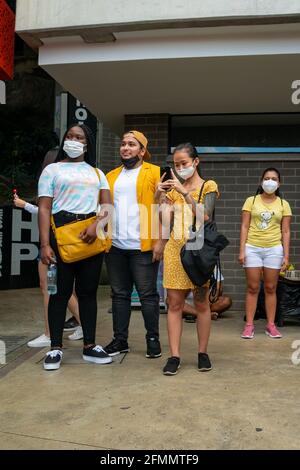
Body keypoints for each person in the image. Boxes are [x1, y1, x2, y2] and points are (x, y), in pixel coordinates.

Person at [38, 123, 112, 370]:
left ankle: (90, 345)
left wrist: (96, 226)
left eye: (78, 137)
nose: (72, 140)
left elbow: (107, 207)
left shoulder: (97, 173)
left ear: (86, 143)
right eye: (69, 136)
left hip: (90, 238)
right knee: (59, 293)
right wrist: (45, 243)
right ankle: (55, 348)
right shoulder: (52, 170)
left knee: (88, 294)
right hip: (61, 238)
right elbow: (45, 208)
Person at [156, 142, 219, 375]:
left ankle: (203, 353)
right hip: (174, 249)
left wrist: (185, 194)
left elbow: (206, 216)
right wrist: (158, 194)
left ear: (196, 162)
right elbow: (161, 219)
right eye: (176, 164)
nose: (179, 168)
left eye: (183, 163)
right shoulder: (172, 190)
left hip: (198, 249)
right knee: (174, 304)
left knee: (202, 302)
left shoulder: (208, 186)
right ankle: (174, 356)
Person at [103, 130, 164, 359]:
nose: (125, 148)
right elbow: (104, 209)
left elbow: (164, 208)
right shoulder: (110, 176)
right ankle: (120, 341)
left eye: (131, 144)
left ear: (142, 150)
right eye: (123, 144)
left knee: (148, 295)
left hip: (143, 247)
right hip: (115, 246)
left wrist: (160, 240)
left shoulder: (156, 172)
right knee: (119, 295)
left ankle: (152, 339)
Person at [13, 197, 82, 346]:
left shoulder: (54, 184)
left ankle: (50, 333)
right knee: (61, 288)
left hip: (52, 245)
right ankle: (84, 327)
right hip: (61, 243)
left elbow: (47, 212)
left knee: (49, 288)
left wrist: (24, 205)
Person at [239, 167, 292, 339]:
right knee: (253, 287)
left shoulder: (284, 204)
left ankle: (271, 325)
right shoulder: (251, 201)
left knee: (271, 288)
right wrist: (242, 251)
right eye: (267, 178)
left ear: (279, 183)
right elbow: (244, 226)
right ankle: (249, 325)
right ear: (261, 181)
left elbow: (285, 231)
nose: (270, 181)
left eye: (274, 179)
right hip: (252, 248)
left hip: (274, 249)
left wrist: (286, 255)